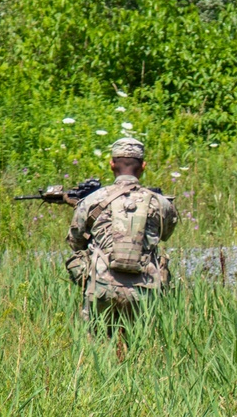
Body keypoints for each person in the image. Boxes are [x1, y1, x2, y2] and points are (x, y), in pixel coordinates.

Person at [65, 137, 179, 330]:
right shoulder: (161, 204)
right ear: (143, 166)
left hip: (101, 287)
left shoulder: (92, 200)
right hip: (145, 288)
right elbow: (165, 234)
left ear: (111, 165)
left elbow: (75, 242)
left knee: (97, 346)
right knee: (142, 348)